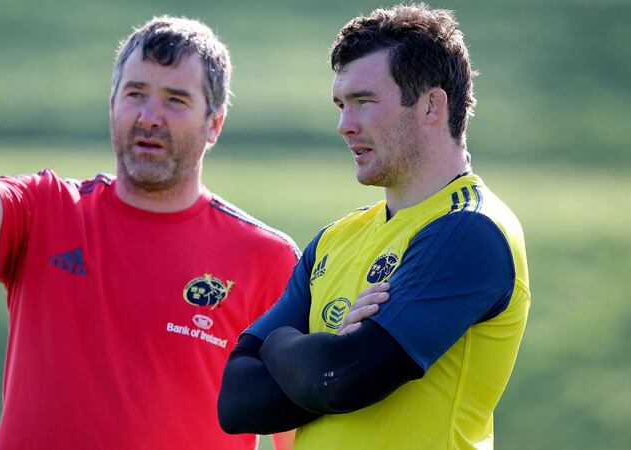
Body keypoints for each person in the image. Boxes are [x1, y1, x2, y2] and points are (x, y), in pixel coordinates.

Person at [0, 17, 298, 450]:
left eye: (176, 100)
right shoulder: (45, 210)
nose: (149, 117)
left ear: (214, 124)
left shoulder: (267, 259)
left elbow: (298, 430)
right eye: (136, 94)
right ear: (112, 105)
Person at [217, 4, 531, 449]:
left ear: (430, 105)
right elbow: (237, 402)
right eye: (341, 105)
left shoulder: (469, 229)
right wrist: (328, 354)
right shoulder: (332, 240)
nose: (345, 125)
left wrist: (282, 342)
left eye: (364, 102)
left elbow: (341, 380)